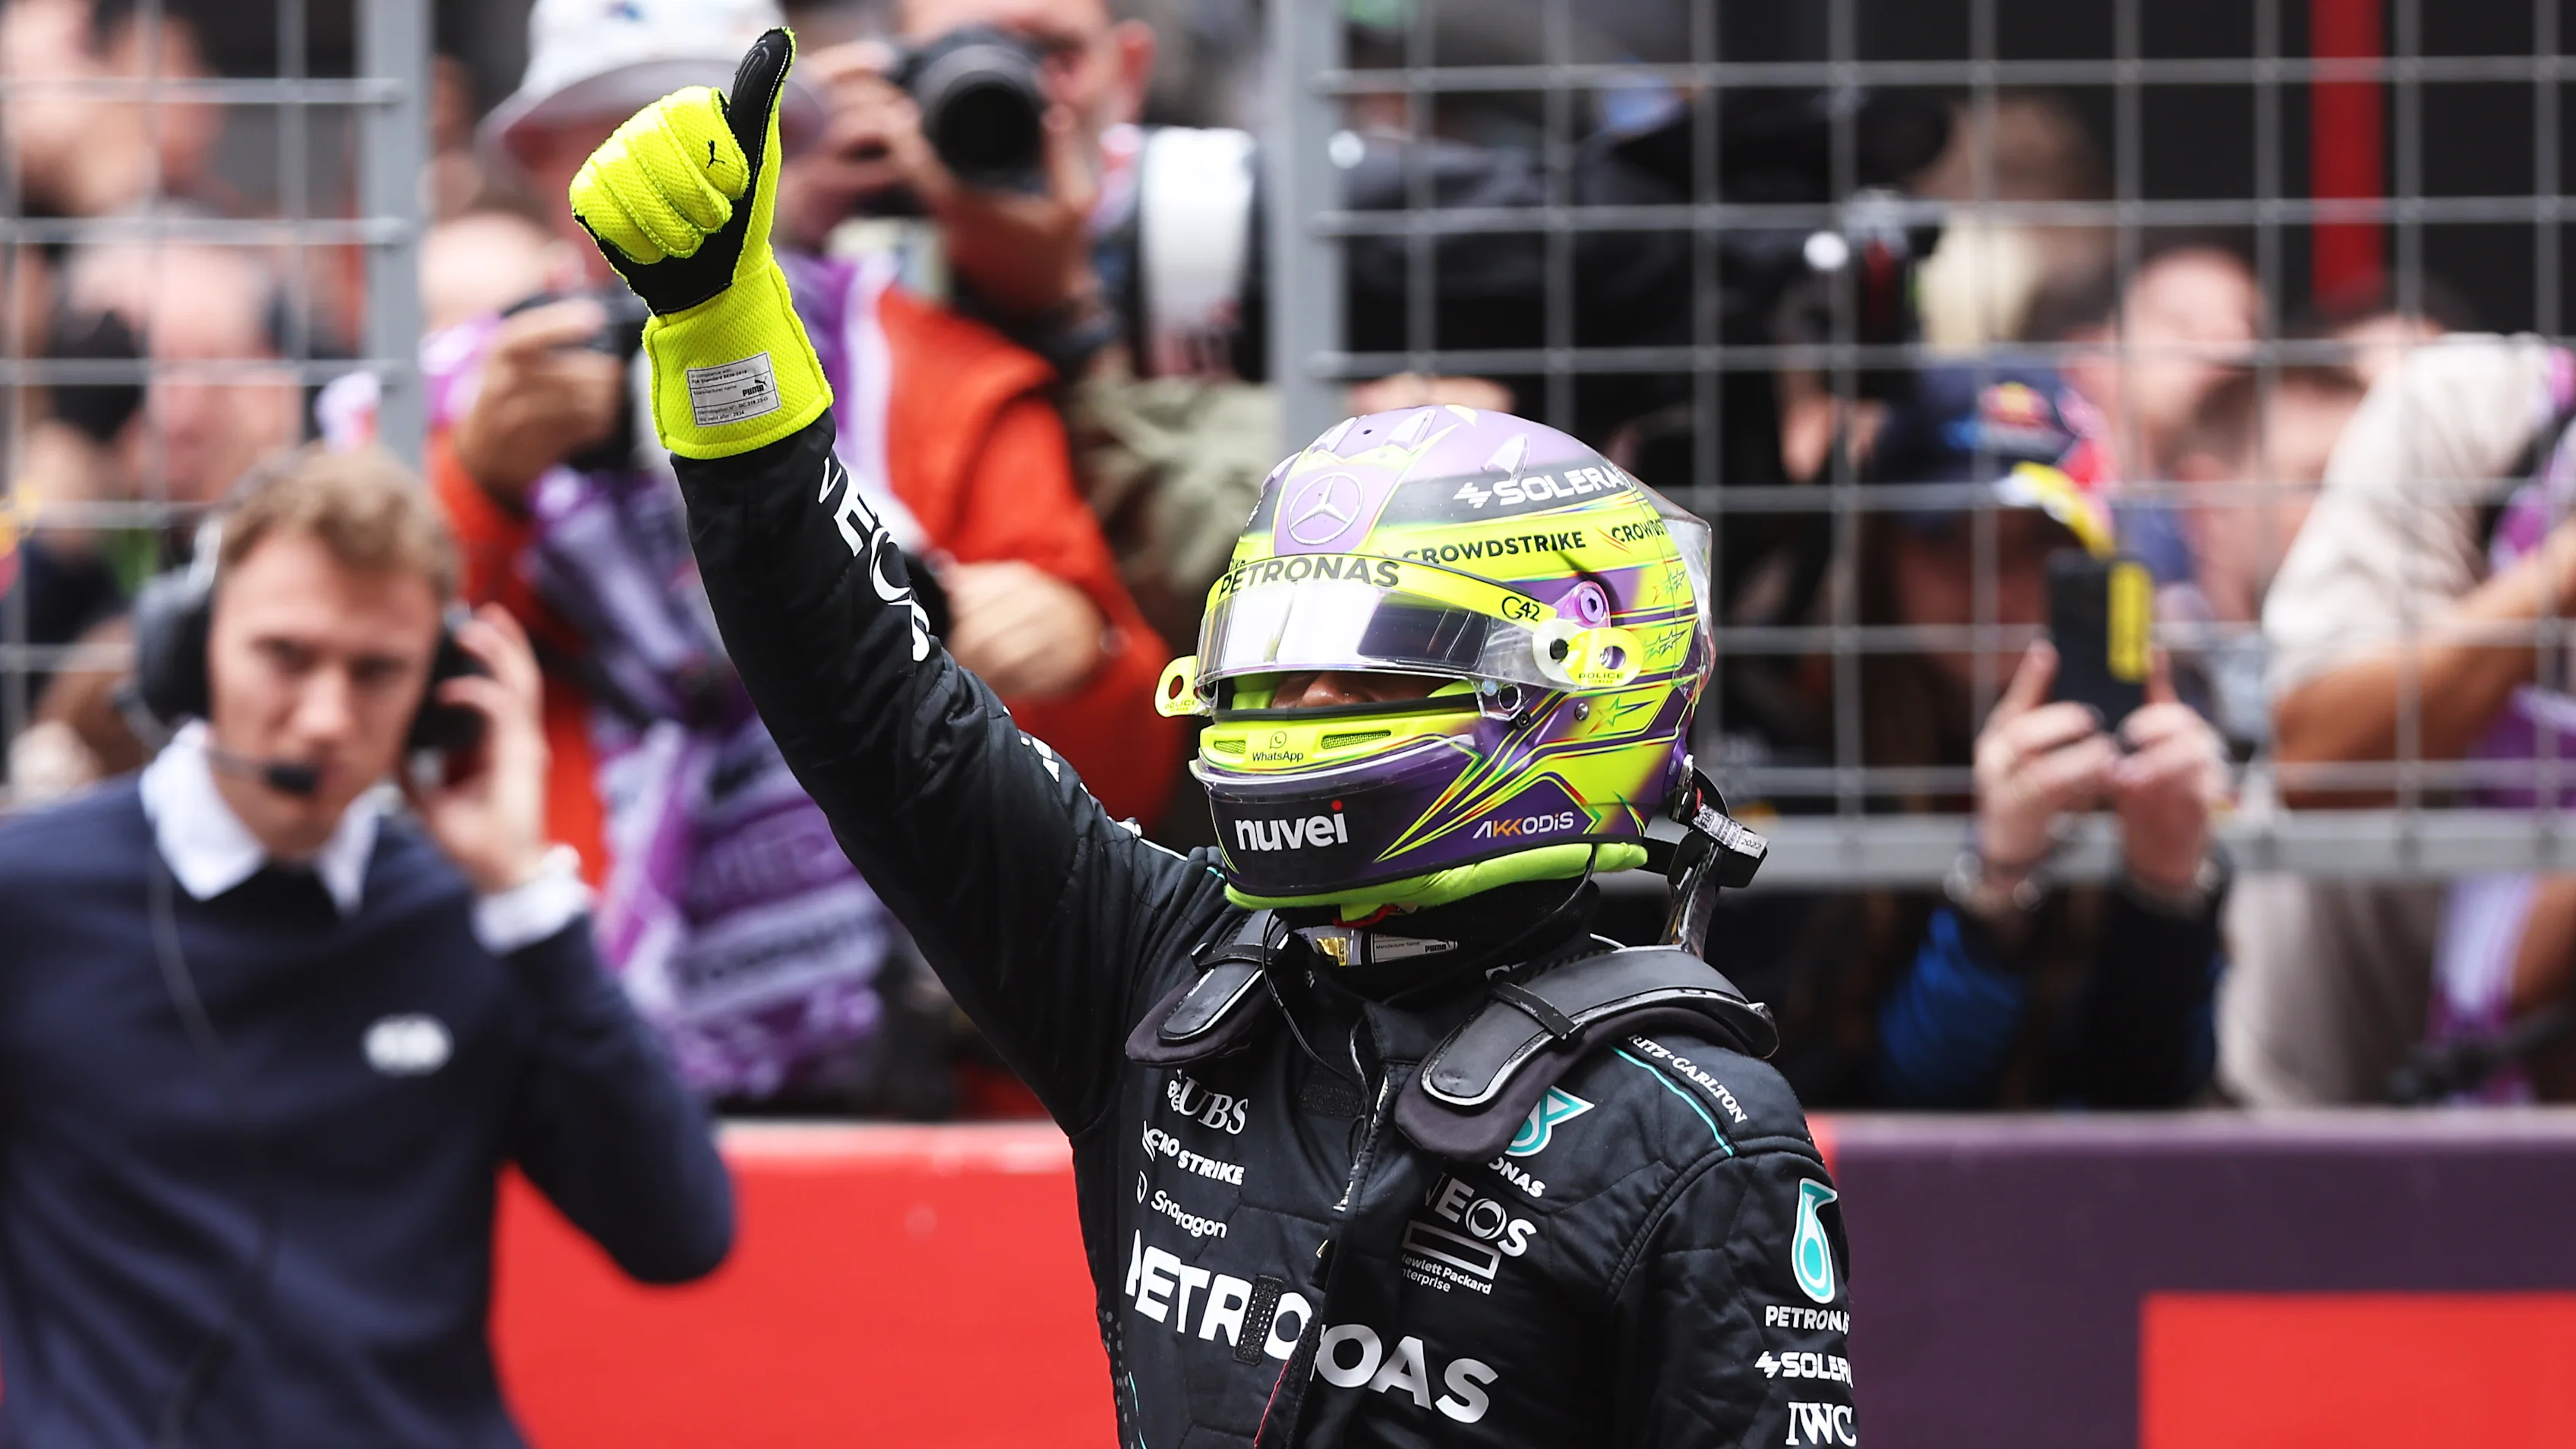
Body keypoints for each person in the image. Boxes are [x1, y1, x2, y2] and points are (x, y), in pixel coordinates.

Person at [570, 32, 1855, 1444]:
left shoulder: (1696, 1134)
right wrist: (720, 336)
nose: (1294, 720)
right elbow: (873, 711)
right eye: (1269, 675)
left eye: (1358, 677)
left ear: (1566, 693)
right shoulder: (1163, 973)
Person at [428, 0, 1180, 1104]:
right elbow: (375, 713)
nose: (662, 179)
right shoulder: (450, 397)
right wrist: (480, 488)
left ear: (780, 147)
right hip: (565, 1038)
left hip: (920, 1030)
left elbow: (1128, 780)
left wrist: (1079, 654)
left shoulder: (932, 376)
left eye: (695, 137)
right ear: (540, 160)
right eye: (611, 139)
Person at [0, 446, 730, 1445]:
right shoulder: (29, 899)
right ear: (191, 650)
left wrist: (526, 896)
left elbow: (679, 1233)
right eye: (286, 657)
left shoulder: (483, 920)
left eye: (377, 671)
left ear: (438, 691)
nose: (326, 719)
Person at [1760, 368, 2231, 1109]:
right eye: (1949, 535)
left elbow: (2153, 1092)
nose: (1994, 581)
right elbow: (1873, 1103)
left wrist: (2166, 890)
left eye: (2041, 541)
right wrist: (1996, 885)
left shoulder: (2162, 732)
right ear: (1882, 551)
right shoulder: (1798, 744)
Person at [2232, 330, 2576, 1104]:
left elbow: (2530, 976)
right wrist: (2557, 578)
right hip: (2315, 1095)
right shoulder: (2472, 409)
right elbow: (2317, 767)